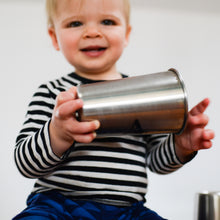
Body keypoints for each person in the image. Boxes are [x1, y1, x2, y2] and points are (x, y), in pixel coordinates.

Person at [13, 0, 215, 219]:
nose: (92, 32)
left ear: (126, 34)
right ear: (54, 37)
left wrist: (180, 145)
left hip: (128, 211)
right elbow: (26, 163)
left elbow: (157, 161)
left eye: (107, 21)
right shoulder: (54, 94)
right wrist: (57, 133)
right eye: (75, 23)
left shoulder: (143, 95)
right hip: (59, 206)